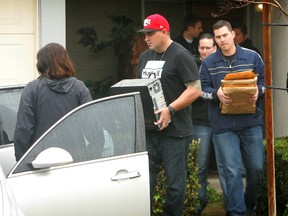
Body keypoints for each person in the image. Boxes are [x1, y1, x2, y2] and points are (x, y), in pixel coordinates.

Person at [137, 14, 202, 216]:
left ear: (164, 32)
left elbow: (195, 89)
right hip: (150, 130)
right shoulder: (144, 57)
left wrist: (170, 109)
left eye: (151, 33)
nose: (146, 38)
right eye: (145, 34)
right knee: (144, 184)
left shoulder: (181, 55)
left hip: (175, 132)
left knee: (175, 186)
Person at [200, 20, 265, 216]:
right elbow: (201, 90)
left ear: (233, 35)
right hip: (223, 125)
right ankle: (237, 212)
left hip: (250, 122)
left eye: (224, 35)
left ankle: (249, 204)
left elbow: (264, 83)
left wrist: (258, 91)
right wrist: (215, 94)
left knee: (256, 168)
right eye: (218, 37)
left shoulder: (252, 57)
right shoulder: (208, 63)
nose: (222, 40)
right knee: (232, 171)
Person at [14, 43, 93, 161]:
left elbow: (24, 129)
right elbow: (92, 125)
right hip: (76, 159)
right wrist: (92, 154)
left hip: (42, 161)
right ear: (65, 61)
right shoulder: (79, 88)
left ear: (41, 64)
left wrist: (23, 161)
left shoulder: (32, 89)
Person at [191, 33, 217, 215]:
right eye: (202, 48)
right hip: (200, 121)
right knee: (199, 166)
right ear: (198, 49)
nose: (205, 51)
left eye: (208, 47)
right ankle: (199, 204)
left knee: (229, 167)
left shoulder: (222, 64)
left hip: (225, 120)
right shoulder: (193, 65)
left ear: (215, 48)